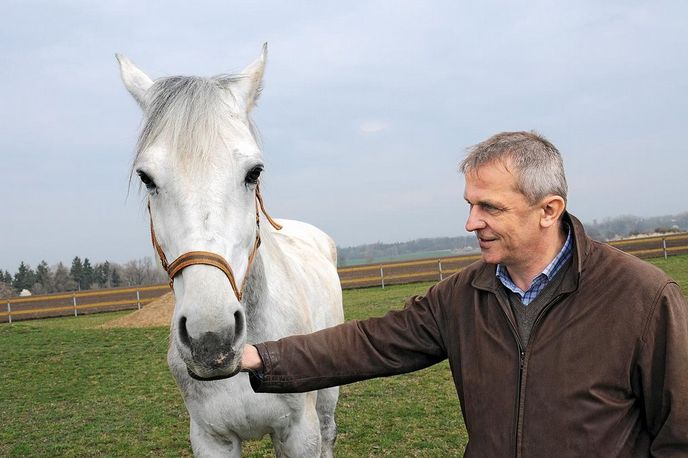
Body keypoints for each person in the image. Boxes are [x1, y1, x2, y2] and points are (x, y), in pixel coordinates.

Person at [240, 131, 688, 456]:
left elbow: (679, 431)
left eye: (489, 206)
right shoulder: (463, 295)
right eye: (470, 205)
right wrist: (258, 357)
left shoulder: (642, 297)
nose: (471, 222)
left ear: (549, 210)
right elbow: (369, 342)